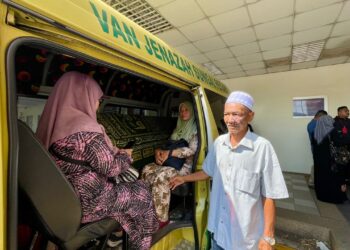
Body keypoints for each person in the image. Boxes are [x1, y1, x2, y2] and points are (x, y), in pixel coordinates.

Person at [36, 71, 158, 250]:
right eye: (97, 98)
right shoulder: (87, 130)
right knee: (142, 192)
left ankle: (117, 235)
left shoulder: (55, 123)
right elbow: (112, 168)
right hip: (91, 201)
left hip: (63, 197)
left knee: (128, 194)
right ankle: (141, 244)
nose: (98, 104)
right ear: (83, 96)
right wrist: (125, 155)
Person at [170, 91, 288, 250]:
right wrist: (183, 178)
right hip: (218, 232)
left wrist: (268, 237)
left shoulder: (262, 148)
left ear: (250, 116)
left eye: (236, 114)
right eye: (227, 114)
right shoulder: (219, 144)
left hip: (245, 239)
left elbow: (269, 196)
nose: (230, 120)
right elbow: (207, 172)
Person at [141, 101, 198, 228]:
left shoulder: (195, 131)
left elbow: (191, 151)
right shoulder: (178, 128)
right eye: (181, 110)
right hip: (170, 162)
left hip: (184, 167)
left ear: (192, 112)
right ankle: (146, 210)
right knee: (147, 169)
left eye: (186, 110)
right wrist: (159, 152)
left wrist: (170, 153)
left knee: (161, 176)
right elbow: (168, 144)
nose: (183, 113)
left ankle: (162, 219)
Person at [313, 115, 348, 203]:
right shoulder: (331, 134)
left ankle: (322, 196)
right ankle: (335, 198)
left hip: (320, 163)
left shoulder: (316, 133)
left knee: (321, 179)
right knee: (333, 180)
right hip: (331, 163)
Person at [307, 110, 328, 187]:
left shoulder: (315, 123)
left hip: (319, 148)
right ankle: (312, 182)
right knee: (317, 165)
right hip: (317, 149)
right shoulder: (313, 124)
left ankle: (314, 181)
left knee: (317, 164)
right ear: (320, 117)